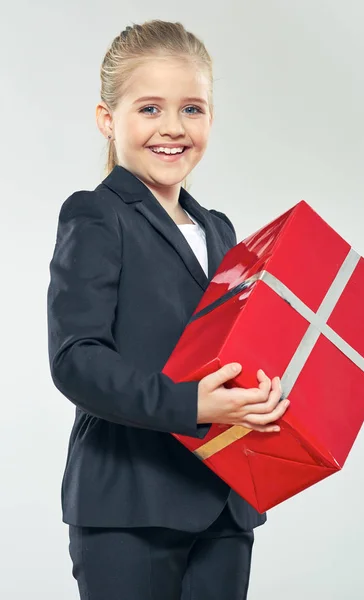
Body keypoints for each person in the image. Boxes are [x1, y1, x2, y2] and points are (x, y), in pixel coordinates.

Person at [47, 19, 290, 600]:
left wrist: (268, 392)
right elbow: (75, 360)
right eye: (150, 109)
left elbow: (237, 349)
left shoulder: (222, 229)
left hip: (226, 509)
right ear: (109, 119)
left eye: (193, 109)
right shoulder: (96, 215)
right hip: (129, 508)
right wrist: (191, 403)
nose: (174, 129)